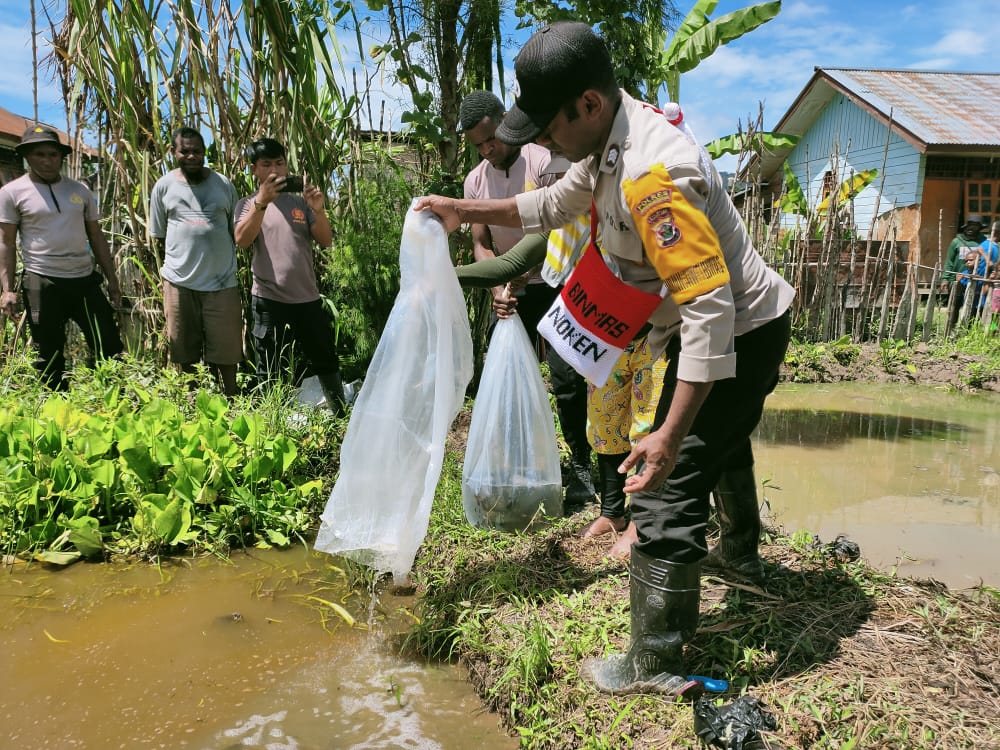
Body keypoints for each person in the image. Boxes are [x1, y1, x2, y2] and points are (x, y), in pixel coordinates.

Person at [417, 22, 795, 695]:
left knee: (670, 482)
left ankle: (657, 661)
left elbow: (709, 312)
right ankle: (739, 548)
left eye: (548, 125)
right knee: (723, 438)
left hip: (739, 327)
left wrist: (668, 435)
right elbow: (557, 200)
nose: (539, 140)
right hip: (721, 324)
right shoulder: (610, 136)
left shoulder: (656, 174)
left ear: (587, 104)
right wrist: (461, 208)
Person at [459, 90, 595, 506]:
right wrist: (498, 287)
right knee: (507, 378)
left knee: (567, 379)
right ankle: (517, 464)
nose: (488, 150)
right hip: (510, 292)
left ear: (504, 120)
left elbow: (553, 231)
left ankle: (580, 467)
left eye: (491, 139)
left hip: (557, 283)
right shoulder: (475, 181)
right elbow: (481, 244)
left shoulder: (543, 160)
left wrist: (510, 273)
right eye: (479, 145)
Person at [0, 124, 124, 390]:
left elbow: (97, 237)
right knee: (48, 352)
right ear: (27, 156)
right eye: (40, 154)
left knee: (109, 345)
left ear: (61, 157)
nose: (47, 161)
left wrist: (112, 279)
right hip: (42, 281)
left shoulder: (79, 191)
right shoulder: (12, 193)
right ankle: (56, 408)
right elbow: (7, 243)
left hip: (83, 280)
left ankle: (117, 402)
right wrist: (7, 289)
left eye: (53, 154)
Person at [233, 137, 344, 414]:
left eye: (280, 163)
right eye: (266, 164)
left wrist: (318, 210)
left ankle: (340, 414)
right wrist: (262, 203)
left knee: (325, 358)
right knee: (270, 366)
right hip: (269, 299)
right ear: (254, 170)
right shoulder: (247, 204)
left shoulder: (300, 202)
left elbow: (326, 240)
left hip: (307, 297)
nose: (275, 170)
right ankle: (274, 421)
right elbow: (242, 240)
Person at [149, 126, 242, 396]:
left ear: (205, 152)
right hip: (179, 281)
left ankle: (232, 395)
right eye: (185, 151)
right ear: (173, 152)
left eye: (197, 151)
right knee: (183, 347)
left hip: (222, 282)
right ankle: (191, 398)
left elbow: (235, 229)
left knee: (226, 347)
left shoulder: (223, 184)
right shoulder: (164, 186)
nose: (192, 156)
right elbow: (159, 233)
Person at [943, 215, 987, 330]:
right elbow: (949, 261)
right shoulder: (956, 242)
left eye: (975, 226)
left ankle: (970, 330)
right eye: (970, 225)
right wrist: (945, 278)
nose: (971, 228)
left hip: (976, 280)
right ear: (965, 227)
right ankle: (951, 328)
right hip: (958, 279)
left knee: (975, 306)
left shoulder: (983, 242)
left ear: (979, 228)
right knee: (955, 305)